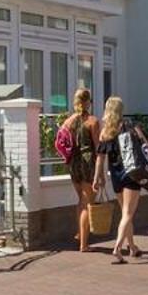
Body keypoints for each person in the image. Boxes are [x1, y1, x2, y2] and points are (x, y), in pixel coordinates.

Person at [93, 95, 148, 264]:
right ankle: (117, 248)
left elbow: (100, 158)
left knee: (124, 214)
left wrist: (97, 177)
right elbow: (146, 146)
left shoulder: (105, 131)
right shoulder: (130, 126)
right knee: (128, 213)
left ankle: (133, 247)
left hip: (116, 177)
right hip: (132, 174)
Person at [60, 86, 102, 252]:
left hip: (73, 162)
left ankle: (80, 232)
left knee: (80, 201)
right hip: (87, 162)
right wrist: (100, 171)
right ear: (88, 103)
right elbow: (98, 147)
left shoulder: (68, 121)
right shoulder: (93, 121)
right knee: (86, 203)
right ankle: (84, 244)